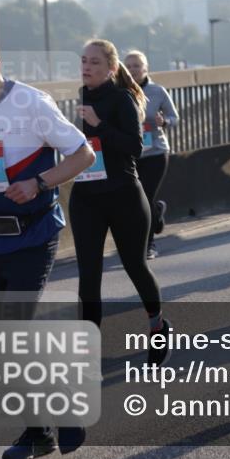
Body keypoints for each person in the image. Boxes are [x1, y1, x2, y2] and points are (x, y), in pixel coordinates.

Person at [0, 32, 94, 459]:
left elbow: (82, 154)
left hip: (35, 232)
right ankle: (38, 434)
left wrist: (39, 182)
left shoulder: (32, 102)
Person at [70, 39, 172, 360]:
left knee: (135, 266)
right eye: (84, 61)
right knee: (88, 275)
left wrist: (100, 126)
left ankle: (157, 326)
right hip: (86, 196)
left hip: (123, 194)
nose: (86, 67)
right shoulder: (82, 95)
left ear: (111, 68)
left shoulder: (123, 98)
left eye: (94, 62)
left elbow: (134, 147)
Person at [124, 50, 179, 260]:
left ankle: (149, 245)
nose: (132, 70)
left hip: (156, 152)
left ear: (145, 68)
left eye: (137, 66)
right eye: (128, 66)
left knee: (144, 198)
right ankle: (157, 211)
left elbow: (175, 118)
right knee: (138, 201)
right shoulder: (121, 92)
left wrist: (163, 121)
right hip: (132, 155)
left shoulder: (158, 91)